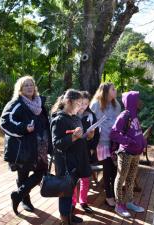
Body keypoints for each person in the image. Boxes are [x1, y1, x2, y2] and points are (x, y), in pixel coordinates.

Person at [0, 75, 52, 215]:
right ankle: (25, 200)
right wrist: (24, 128)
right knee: (23, 176)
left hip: (40, 148)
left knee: (41, 172)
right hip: (23, 149)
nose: (29, 87)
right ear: (20, 89)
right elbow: (5, 122)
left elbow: (46, 125)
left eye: (31, 85)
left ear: (35, 87)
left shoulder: (39, 104)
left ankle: (18, 194)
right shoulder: (16, 103)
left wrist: (50, 146)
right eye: (26, 85)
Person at [50, 89, 93, 225]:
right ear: (68, 102)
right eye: (78, 102)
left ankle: (70, 215)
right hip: (65, 164)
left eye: (82, 103)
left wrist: (87, 136)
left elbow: (80, 138)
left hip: (76, 162)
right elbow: (57, 144)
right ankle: (65, 221)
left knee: (71, 192)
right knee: (65, 195)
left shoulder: (75, 118)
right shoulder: (59, 119)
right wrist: (73, 137)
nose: (81, 106)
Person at [110, 91, 146, 217]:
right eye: (138, 99)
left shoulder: (135, 115)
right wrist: (128, 141)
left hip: (136, 153)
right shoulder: (124, 115)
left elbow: (137, 132)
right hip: (126, 153)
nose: (140, 101)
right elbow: (114, 133)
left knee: (131, 178)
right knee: (121, 179)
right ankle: (119, 205)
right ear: (132, 101)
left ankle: (129, 201)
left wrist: (143, 143)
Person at [90, 83, 121, 207]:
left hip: (114, 143)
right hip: (102, 143)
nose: (115, 90)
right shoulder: (96, 104)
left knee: (114, 170)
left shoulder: (116, 104)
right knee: (107, 170)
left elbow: (118, 121)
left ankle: (113, 193)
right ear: (106, 92)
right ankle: (109, 196)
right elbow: (91, 123)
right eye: (113, 89)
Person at [72, 91, 100, 214]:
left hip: (86, 151)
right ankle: (72, 202)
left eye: (86, 103)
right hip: (72, 151)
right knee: (72, 178)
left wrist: (92, 146)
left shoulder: (91, 115)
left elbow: (97, 134)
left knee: (85, 177)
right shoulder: (71, 115)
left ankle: (83, 201)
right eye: (81, 103)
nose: (83, 106)